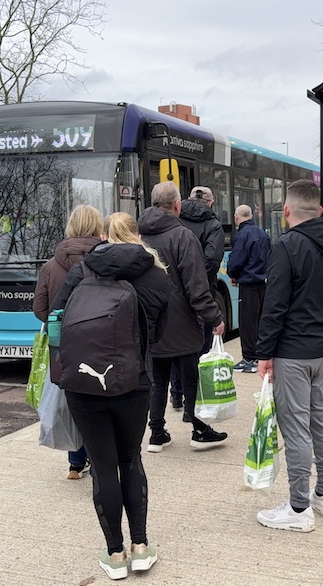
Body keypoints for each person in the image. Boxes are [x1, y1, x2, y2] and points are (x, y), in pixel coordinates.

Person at [51, 212, 170, 580]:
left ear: (105, 237)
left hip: (84, 384)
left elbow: (54, 319)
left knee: (103, 466)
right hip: (134, 383)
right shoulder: (155, 275)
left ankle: (115, 554)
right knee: (130, 459)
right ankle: (140, 547)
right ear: (137, 235)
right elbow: (160, 333)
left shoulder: (81, 270)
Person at [254, 179, 323, 532]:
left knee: (295, 428)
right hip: (322, 351)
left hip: (292, 352)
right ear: (320, 210)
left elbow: (274, 306)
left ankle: (298, 508)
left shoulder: (286, 246)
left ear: (286, 210)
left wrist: (264, 353)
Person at [137, 181, 227, 453]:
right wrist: (215, 318)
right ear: (177, 205)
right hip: (182, 321)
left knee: (157, 380)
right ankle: (199, 430)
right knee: (190, 378)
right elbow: (196, 287)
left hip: (151, 321)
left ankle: (156, 433)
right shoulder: (183, 237)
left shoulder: (140, 235)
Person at [32, 204, 102, 480]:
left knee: (69, 398)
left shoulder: (52, 265)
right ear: (98, 226)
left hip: (63, 345)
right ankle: (98, 459)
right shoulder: (106, 261)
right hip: (98, 340)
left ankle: (75, 462)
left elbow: (40, 309)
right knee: (96, 398)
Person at [169, 186, 224, 412]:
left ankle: (176, 394)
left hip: (173, 292)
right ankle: (194, 401)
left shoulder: (175, 220)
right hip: (201, 292)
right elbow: (212, 259)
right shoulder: (213, 225)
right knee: (200, 345)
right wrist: (198, 282)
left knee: (176, 345)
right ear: (210, 203)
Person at [227, 204, 271, 373]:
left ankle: (249, 359)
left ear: (236, 218)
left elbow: (236, 260)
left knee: (247, 323)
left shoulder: (241, 236)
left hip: (248, 285)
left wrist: (232, 274)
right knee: (259, 321)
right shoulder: (262, 234)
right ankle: (259, 355)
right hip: (262, 283)